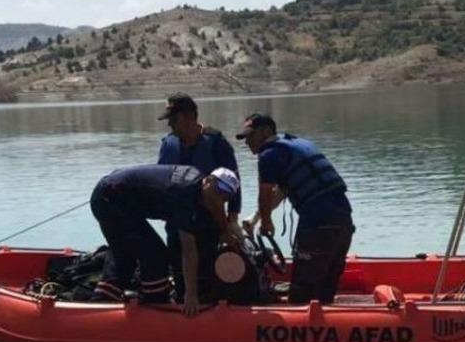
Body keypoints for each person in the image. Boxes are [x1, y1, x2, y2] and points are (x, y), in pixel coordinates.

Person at [89, 164, 239, 316]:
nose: (221, 198)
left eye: (226, 196)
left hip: (120, 199)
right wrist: (191, 294)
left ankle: (102, 300)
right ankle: (154, 304)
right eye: (219, 190)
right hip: (109, 200)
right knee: (156, 256)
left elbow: (217, 205)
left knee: (125, 255)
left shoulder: (207, 192)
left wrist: (225, 232)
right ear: (208, 180)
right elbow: (188, 250)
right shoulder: (184, 195)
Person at [236, 113, 354, 304]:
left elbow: (265, 193)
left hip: (317, 225)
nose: (247, 142)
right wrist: (256, 218)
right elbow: (283, 190)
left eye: (250, 136)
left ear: (265, 132)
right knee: (325, 290)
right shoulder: (297, 145)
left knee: (302, 294)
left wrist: (266, 222)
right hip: (344, 221)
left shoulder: (268, 154)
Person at [157, 93, 241, 300]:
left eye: (173, 120)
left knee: (205, 276)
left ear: (188, 118)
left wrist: (232, 220)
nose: (170, 126)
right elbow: (161, 181)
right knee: (180, 274)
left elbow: (233, 182)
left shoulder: (215, 142)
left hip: (208, 224)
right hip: (176, 223)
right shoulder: (168, 144)